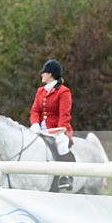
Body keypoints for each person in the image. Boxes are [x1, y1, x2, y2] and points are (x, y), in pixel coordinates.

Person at [29, 59, 75, 191]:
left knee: (62, 146)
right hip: (41, 129)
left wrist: (59, 130)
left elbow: (64, 113)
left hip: (59, 129)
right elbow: (35, 110)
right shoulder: (40, 91)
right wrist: (35, 124)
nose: (42, 75)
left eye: (44, 73)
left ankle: (66, 177)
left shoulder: (63, 92)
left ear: (50, 74)